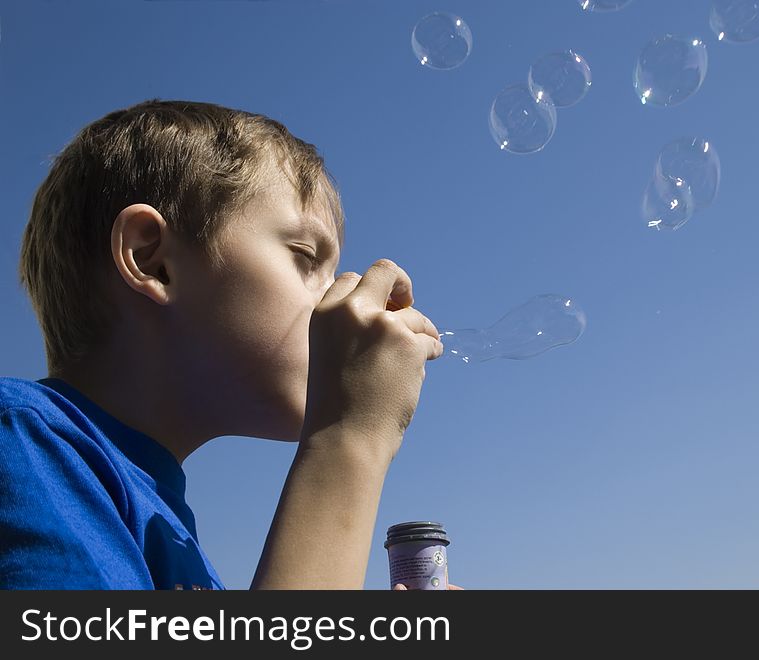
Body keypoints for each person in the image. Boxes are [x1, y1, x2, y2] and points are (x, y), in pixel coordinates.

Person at [0, 99, 449, 590]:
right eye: (305, 257)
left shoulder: (170, 532)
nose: (336, 296)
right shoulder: (21, 441)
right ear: (153, 261)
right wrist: (350, 437)